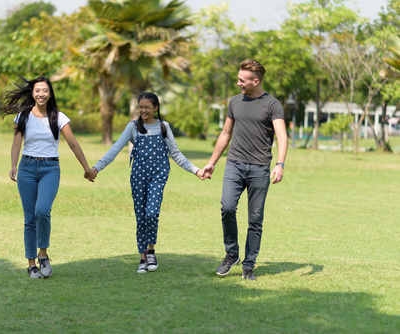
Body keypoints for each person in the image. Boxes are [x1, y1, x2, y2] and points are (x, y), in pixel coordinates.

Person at [91, 92, 205, 273]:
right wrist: (96, 168)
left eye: (147, 107)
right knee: (141, 216)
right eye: (140, 107)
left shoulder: (163, 127)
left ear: (156, 108)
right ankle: (142, 257)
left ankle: (151, 250)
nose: (143, 110)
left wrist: (196, 170)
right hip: (138, 177)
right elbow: (115, 149)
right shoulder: (132, 127)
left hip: (158, 176)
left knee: (151, 213)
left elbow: (176, 154)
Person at [1, 75, 97, 279]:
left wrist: (86, 167)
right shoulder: (23, 116)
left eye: (45, 90)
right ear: (32, 93)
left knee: (42, 211)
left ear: (50, 93)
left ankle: (43, 254)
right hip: (27, 167)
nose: (41, 94)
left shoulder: (58, 117)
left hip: (50, 168)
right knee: (29, 218)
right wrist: (13, 165)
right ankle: (31, 264)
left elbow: (73, 143)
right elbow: (17, 142)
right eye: (37, 90)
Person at [203, 59, 287, 281]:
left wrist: (280, 164)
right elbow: (225, 134)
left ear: (255, 81)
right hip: (234, 164)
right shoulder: (234, 102)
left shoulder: (272, 105)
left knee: (255, 219)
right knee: (227, 207)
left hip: (260, 168)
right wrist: (212, 162)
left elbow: (282, 135)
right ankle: (232, 254)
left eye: (242, 80)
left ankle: (249, 265)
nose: (238, 83)